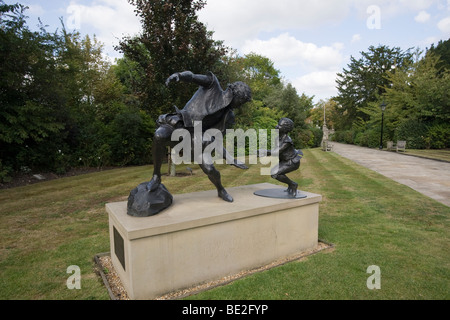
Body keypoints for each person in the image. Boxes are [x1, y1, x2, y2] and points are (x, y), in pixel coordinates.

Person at [147, 71, 252, 202]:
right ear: (237, 95)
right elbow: (192, 77)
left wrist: (230, 158)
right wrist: (179, 76)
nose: (240, 105)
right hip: (180, 123)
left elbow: (217, 141)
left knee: (210, 169)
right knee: (159, 136)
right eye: (242, 101)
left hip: (197, 139)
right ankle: (156, 176)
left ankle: (220, 189)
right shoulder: (213, 85)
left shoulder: (228, 117)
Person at [259, 118, 303, 197]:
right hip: (284, 161)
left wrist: (264, 152)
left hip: (292, 162)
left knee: (275, 173)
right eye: (278, 124)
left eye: (279, 125)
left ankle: (293, 185)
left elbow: (276, 152)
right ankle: (291, 185)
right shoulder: (278, 138)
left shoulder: (287, 141)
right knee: (274, 173)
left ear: (285, 129)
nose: (276, 126)